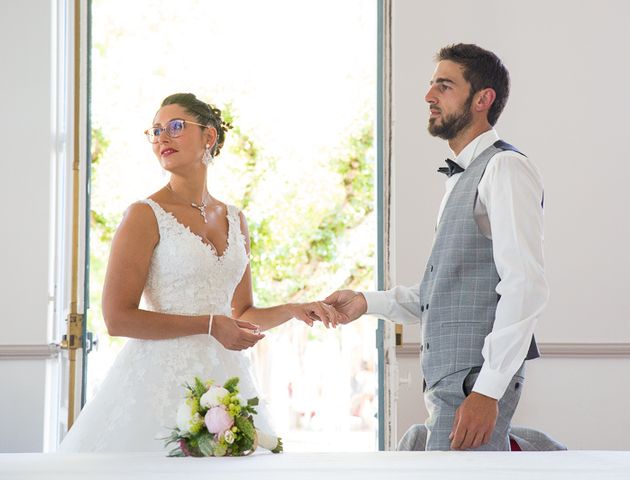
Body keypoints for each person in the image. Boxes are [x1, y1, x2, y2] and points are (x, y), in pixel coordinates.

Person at [59, 93, 334, 452]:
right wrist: (207, 325)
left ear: (209, 137)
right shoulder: (144, 215)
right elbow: (117, 319)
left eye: (176, 127)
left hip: (225, 381)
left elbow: (242, 314)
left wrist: (293, 309)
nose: (162, 138)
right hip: (158, 383)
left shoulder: (236, 219)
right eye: (155, 131)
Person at [324, 44, 548, 451]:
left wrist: (488, 390)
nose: (429, 96)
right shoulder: (459, 180)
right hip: (450, 382)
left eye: (444, 86)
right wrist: (364, 302)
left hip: (472, 383)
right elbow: (442, 297)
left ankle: (542, 456)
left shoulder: (506, 168)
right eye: (431, 85)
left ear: (483, 99)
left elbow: (526, 284)